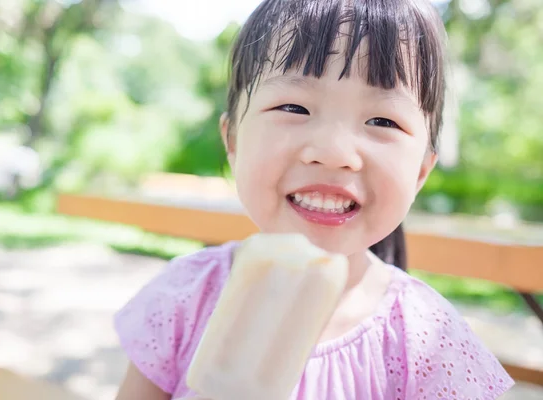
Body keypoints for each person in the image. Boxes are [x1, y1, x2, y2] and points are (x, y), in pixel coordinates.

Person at [113, 0, 515, 399]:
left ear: (421, 172)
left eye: (382, 121)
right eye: (294, 106)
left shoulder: (429, 342)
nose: (334, 152)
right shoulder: (186, 297)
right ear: (232, 141)